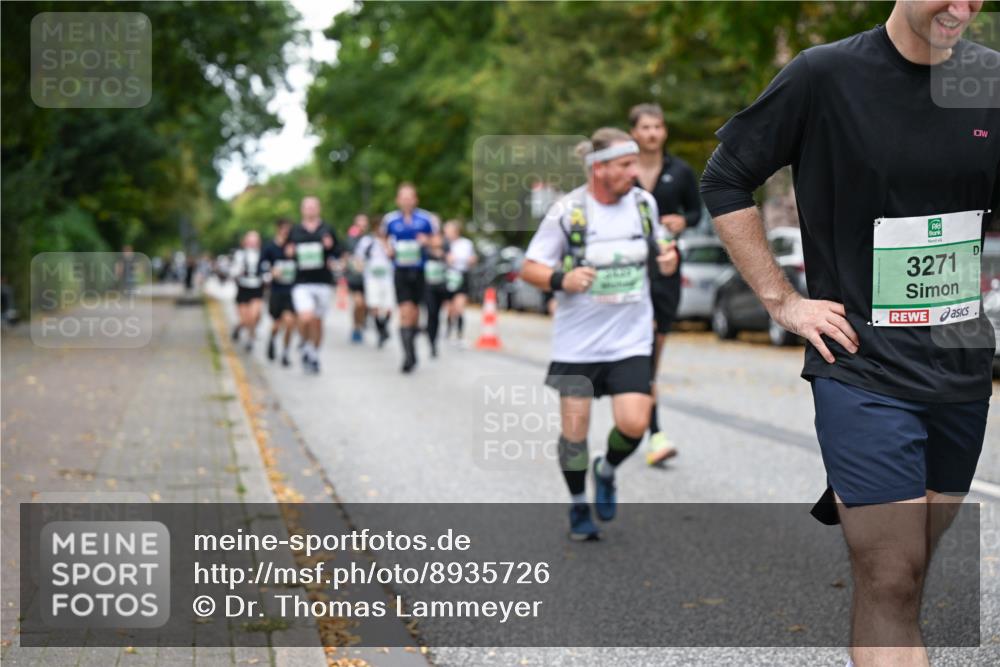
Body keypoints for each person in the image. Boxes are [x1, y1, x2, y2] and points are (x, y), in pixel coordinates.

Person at [700, 2, 996, 663]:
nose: (961, 7)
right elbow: (725, 178)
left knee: (909, 573)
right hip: (861, 364)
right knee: (890, 574)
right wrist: (783, 300)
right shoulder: (823, 75)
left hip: (961, 368)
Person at [521, 128, 679, 540]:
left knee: (634, 423)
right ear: (599, 168)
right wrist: (563, 279)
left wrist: (668, 258)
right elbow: (530, 268)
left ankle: (606, 469)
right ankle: (578, 503)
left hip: (631, 338)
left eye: (634, 163)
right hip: (578, 343)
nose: (635, 171)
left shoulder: (643, 204)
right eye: (625, 164)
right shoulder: (568, 211)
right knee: (575, 435)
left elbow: (662, 245)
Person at [629, 103, 705, 466]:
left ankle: (643, 418)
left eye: (657, 127)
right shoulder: (623, 171)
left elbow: (696, 211)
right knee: (641, 349)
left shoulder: (681, 171)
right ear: (633, 133)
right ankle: (652, 430)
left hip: (666, 269)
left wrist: (682, 222)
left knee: (653, 350)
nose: (652, 133)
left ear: (665, 131)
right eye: (645, 127)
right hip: (628, 269)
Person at [381, 182, 438, 373]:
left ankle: (411, 346)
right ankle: (408, 356)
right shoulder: (390, 220)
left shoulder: (426, 219)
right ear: (398, 200)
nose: (406, 200)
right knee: (405, 312)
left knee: (415, 313)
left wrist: (427, 241)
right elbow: (383, 239)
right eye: (403, 197)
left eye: (410, 197)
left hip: (419, 272)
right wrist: (388, 249)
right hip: (401, 271)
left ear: (415, 199)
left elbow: (437, 240)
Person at [286, 196, 341, 374]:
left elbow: (338, 252)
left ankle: (313, 353)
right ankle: (304, 343)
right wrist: (290, 252)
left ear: (318, 209)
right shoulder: (295, 230)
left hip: (323, 281)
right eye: (307, 207)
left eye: (313, 206)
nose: (310, 209)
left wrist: (330, 248)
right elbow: (287, 252)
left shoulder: (327, 229)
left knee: (317, 322)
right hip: (302, 282)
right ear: (302, 210)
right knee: (305, 317)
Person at [260, 218, 297, 367]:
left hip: (291, 291)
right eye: (283, 229)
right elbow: (262, 266)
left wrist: (294, 254)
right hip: (276, 291)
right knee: (277, 324)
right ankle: (272, 339)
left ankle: (286, 352)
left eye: (288, 229)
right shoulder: (270, 247)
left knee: (290, 323)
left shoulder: (294, 246)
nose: (286, 232)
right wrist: (271, 272)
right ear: (278, 229)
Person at [354, 223, 395, 348]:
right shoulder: (368, 241)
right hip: (372, 279)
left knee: (388, 306)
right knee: (374, 306)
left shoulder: (392, 240)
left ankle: (384, 326)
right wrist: (360, 268)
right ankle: (381, 331)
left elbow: (395, 256)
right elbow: (359, 257)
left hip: (388, 279)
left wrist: (387, 245)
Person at [443, 219, 478, 345]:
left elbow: (473, 258)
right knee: (449, 308)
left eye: (449, 230)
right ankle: (448, 331)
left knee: (459, 307)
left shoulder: (466, 243)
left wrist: (471, 260)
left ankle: (459, 335)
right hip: (448, 276)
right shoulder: (444, 244)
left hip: (462, 275)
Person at [230, 231, 264, 353]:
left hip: (257, 288)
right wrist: (237, 271)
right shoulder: (240, 255)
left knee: (254, 316)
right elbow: (233, 271)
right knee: (245, 319)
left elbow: (266, 269)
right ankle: (238, 328)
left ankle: (251, 338)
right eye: (250, 241)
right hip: (243, 288)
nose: (252, 243)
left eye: (255, 241)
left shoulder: (262, 254)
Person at [423, 231, 449, 358]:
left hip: (441, 288)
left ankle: (434, 341)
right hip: (428, 288)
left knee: (437, 316)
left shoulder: (446, 252)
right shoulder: (424, 252)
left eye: (439, 238)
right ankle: (431, 341)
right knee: (431, 313)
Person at [345, 213, 370, 344]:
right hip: (354, 277)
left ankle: (360, 323)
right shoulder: (351, 238)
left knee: (365, 305)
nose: (362, 226)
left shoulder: (370, 238)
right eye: (360, 224)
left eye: (364, 224)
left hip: (368, 278)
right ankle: (356, 327)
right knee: (359, 303)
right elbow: (347, 254)